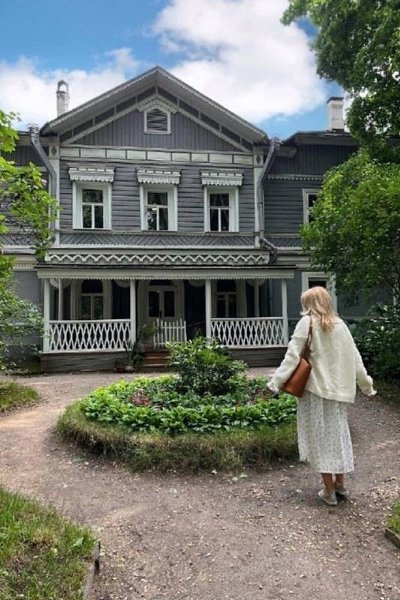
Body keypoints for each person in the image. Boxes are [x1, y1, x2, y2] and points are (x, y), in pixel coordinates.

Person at [267, 286, 376, 506]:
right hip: (339, 394)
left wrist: (275, 382)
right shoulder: (341, 326)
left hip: (315, 391)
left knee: (320, 439)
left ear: (309, 304)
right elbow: (355, 359)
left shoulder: (307, 323)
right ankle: (340, 484)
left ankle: (328, 490)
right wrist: (367, 386)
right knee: (338, 436)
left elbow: (292, 356)